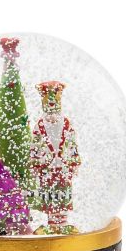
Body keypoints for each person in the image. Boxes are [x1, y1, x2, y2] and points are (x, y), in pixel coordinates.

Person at [31, 81, 81, 235]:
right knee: (49, 193)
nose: (52, 115)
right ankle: (52, 223)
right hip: (47, 167)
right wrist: (35, 164)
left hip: (63, 166)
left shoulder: (66, 124)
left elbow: (72, 143)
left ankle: (63, 223)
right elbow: (35, 145)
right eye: (49, 111)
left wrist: (73, 162)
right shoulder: (39, 125)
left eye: (54, 110)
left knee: (63, 192)